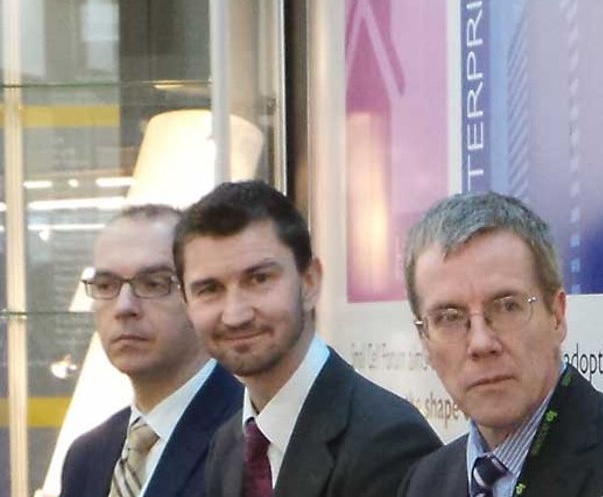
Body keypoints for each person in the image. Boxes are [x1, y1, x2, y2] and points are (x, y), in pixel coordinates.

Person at [398, 191, 603, 497]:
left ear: (557, 314)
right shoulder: (424, 483)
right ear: (424, 339)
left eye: (507, 306)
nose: (481, 342)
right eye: (449, 317)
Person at [173, 180, 441, 497]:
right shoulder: (227, 446)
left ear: (310, 283)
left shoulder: (389, 443)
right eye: (209, 290)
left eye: (259, 279)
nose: (235, 315)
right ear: (186, 303)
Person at [61, 205, 241, 497]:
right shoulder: (87, 456)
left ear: (202, 295)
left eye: (154, 284)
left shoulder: (255, 438)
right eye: (105, 285)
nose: (124, 307)